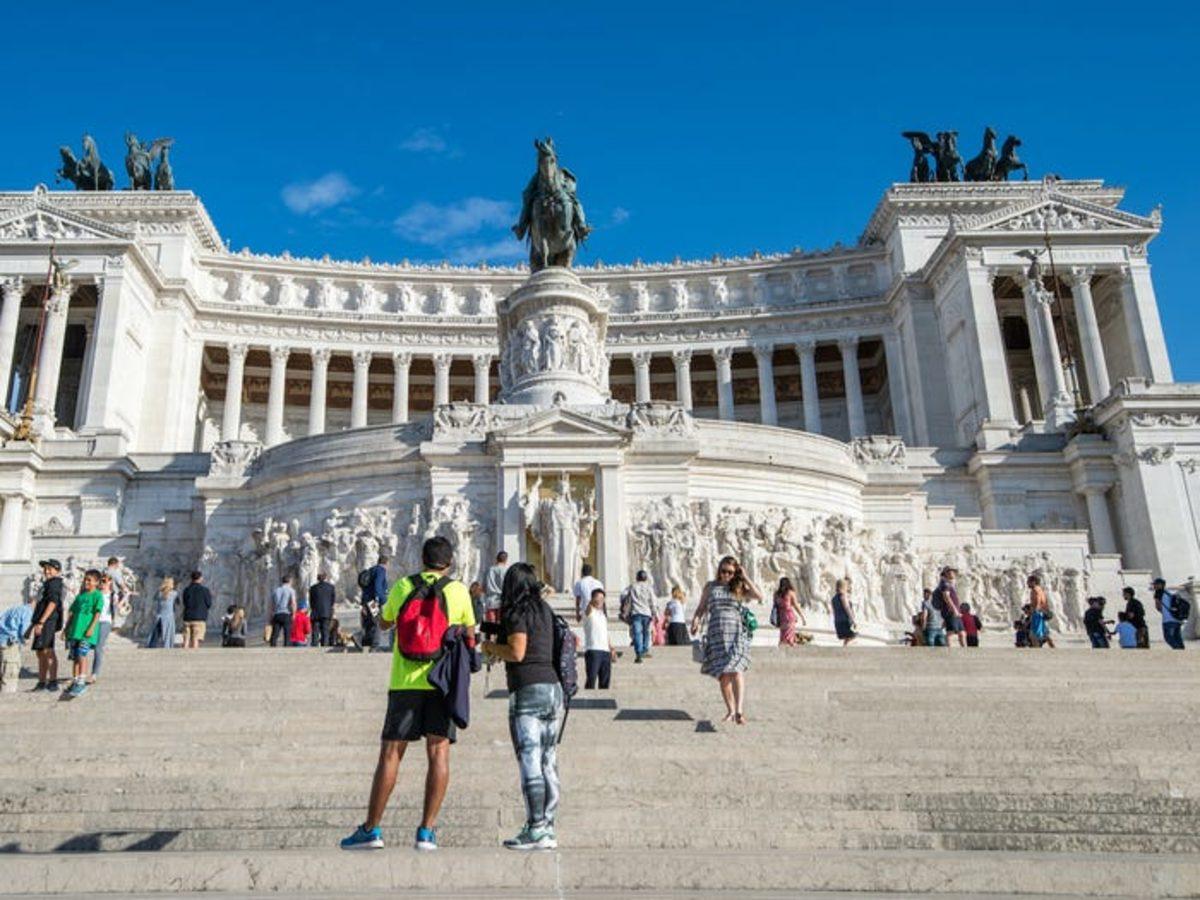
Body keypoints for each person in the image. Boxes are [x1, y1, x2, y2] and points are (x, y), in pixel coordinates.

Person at [341, 536, 475, 853]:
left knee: (390, 755)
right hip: (442, 683)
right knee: (439, 753)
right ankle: (426, 831)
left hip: (404, 682)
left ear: (421, 559)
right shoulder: (458, 591)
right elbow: (470, 635)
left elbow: (385, 623)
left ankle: (371, 829)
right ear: (450, 562)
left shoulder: (403, 585)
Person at [481, 562, 562, 851]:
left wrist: (490, 648)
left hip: (528, 689)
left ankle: (536, 828)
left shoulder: (516, 611)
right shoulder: (545, 610)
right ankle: (547, 826)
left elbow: (517, 651)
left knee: (530, 758)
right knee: (548, 759)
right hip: (553, 689)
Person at [691, 555, 762, 725]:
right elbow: (701, 608)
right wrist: (696, 621)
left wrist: (744, 577)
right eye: (723, 571)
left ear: (735, 573)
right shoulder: (710, 587)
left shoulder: (738, 586)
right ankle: (730, 710)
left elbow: (758, 595)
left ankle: (739, 711)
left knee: (736, 669)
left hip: (736, 632)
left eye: (730, 572)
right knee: (723, 675)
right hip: (717, 633)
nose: (726, 575)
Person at [63, 569, 105, 697]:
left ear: (97, 582)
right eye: (85, 579)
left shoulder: (98, 595)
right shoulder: (80, 596)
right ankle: (75, 680)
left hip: (87, 632)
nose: (86, 582)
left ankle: (82, 680)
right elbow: (72, 612)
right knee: (75, 656)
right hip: (75, 631)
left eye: (89, 580)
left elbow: (97, 613)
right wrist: (66, 629)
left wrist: (91, 628)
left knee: (82, 654)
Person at [30, 559, 64, 692]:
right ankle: (42, 681)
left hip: (48, 621)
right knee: (40, 652)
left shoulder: (55, 583)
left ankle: (53, 681)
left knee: (48, 650)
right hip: (42, 621)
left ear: (57, 570)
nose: (46, 571)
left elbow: (53, 603)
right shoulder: (48, 583)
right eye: (45, 568)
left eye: (50, 568)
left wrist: (42, 622)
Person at [0, 597, 33, 694]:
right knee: (10, 672)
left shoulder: (14, 609)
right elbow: (24, 633)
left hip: (2, 640)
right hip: (10, 644)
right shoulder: (28, 612)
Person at [89, 572, 117, 684]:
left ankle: (94, 673)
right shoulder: (95, 594)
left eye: (106, 581)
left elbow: (116, 608)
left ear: (110, 582)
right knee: (88, 646)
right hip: (94, 622)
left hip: (105, 622)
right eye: (102, 581)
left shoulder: (113, 595)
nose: (103, 583)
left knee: (98, 647)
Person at [624, 570, 657, 663]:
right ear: (645, 578)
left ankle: (638, 653)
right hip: (647, 613)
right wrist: (656, 614)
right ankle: (645, 649)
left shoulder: (632, 587)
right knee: (646, 632)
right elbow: (653, 602)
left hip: (636, 613)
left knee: (637, 633)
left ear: (637, 577)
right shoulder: (649, 588)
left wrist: (626, 612)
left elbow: (626, 598)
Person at [582, 588, 613, 689]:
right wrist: (593, 600)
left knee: (605, 681)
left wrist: (611, 648)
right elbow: (588, 608)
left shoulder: (603, 615)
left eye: (602, 599)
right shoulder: (589, 613)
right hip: (593, 649)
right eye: (598, 598)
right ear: (592, 599)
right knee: (591, 678)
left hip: (605, 651)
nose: (600, 601)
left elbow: (605, 632)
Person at [360, 555, 390, 650]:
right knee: (377, 622)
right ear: (386, 563)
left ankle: (365, 642)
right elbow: (378, 586)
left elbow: (366, 587)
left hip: (367, 600)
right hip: (374, 601)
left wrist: (363, 602)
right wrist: (380, 600)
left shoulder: (372, 570)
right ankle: (375, 646)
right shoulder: (381, 570)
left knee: (369, 622)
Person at [933, 568, 965, 648]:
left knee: (962, 633)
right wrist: (954, 610)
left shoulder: (949, 584)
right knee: (950, 633)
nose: (953, 574)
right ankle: (949, 651)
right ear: (946, 574)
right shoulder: (945, 584)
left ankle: (964, 649)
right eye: (951, 572)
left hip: (954, 612)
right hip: (951, 612)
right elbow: (946, 597)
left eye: (954, 572)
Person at [180, 571, 212, 649]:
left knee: (186, 639)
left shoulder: (186, 590)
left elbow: (184, 602)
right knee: (195, 639)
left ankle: (183, 656)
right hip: (199, 618)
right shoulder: (205, 590)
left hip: (187, 617)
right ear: (200, 578)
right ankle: (193, 657)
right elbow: (209, 604)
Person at [1152, 577, 1186, 650]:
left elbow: (1158, 607)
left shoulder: (1158, 593)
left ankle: (1177, 650)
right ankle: (1183, 652)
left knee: (1168, 637)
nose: (1154, 586)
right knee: (1177, 637)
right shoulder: (1169, 593)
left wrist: (1164, 612)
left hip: (1168, 620)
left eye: (1155, 584)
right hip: (1176, 619)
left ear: (1160, 585)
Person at [145, 577, 177, 649]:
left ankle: (151, 645)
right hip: (169, 616)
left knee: (156, 632)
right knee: (168, 633)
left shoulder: (159, 593)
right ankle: (167, 646)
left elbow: (154, 599)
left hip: (159, 615)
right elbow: (177, 602)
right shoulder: (174, 594)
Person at [773, 577, 806, 646]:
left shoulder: (776, 594)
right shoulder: (790, 593)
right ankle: (790, 647)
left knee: (783, 635)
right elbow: (796, 605)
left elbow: (775, 606)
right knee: (790, 635)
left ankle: (783, 646)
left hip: (781, 617)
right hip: (789, 616)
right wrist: (802, 616)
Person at [1027, 574, 1055, 649]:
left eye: (1028, 582)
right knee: (1044, 634)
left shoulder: (1035, 590)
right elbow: (1044, 602)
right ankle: (1053, 648)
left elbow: (1037, 601)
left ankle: (1037, 650)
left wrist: (1033, 610)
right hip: (1042, 612)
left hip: (1037, 613)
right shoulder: (1040, 589)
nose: (1027, 583)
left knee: (1033, 634)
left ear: (1033, 582)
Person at [309, 572, 336, 647]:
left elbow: (311, 601)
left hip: (315, 612)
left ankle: (314, 646)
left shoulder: (313, 588)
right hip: (326, 612)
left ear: (317, 578)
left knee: (315, 631)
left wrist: (313, 608)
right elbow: (332, 600)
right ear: (325, 578)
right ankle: (324, 646)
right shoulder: (331, 587)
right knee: (325, 631)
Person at [269, 575, 296, 648]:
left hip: (277, 614)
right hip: (286, 613)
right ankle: (286, 648)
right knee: (287, 633)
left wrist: (271, 615)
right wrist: (294, 614)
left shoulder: (276, 590)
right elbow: (293, 603)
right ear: (290, 581)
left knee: (275, 633)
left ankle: (272, 647)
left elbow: (272, 605)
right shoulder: (291, 590)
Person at [831, 578, 858, 646]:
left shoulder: (833, 599)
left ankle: (845, 646)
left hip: (838, 622)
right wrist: (853, 620)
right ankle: (847, 646)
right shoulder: (843, 596)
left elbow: (834, 612)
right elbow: (847, 608)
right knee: (853, 635)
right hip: (845, 621)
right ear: (844, 587)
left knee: (847, 637)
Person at [483, 551, 508, 625]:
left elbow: (484, 587)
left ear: (496, 559)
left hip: (490, 600)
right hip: (502, 600)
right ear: (506, 560)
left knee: (491, 625)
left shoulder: (489, 570)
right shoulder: (506, 571)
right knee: (501, 624)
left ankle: (492, 636)